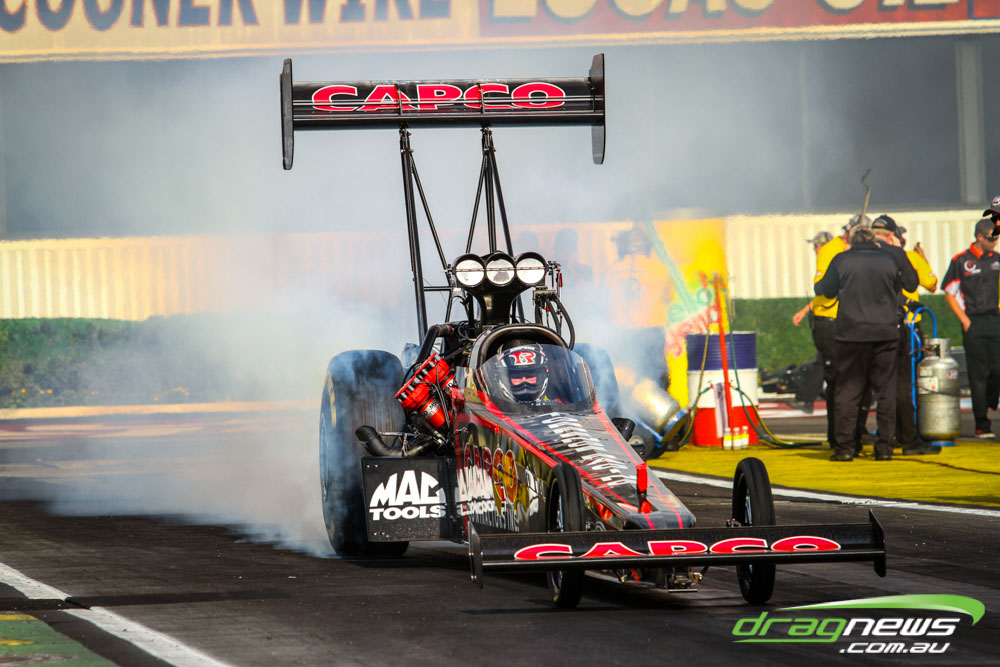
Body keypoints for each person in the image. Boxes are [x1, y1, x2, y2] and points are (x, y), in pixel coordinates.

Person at [815, 221, 918, 461]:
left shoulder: (841, 260)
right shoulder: (890, 259)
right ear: (873, 240)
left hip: (851, 336)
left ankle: (845, 448)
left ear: (851, 241)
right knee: (886, 392)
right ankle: (884, 448)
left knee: (848, 392)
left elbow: (824, 290)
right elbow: (902, 287)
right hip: (885, 334)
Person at [809, 214, 871, 450]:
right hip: (831, 321)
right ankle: (838, 436)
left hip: (852, 320)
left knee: (859, 379)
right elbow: (822, 289)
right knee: (838, 379)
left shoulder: (862, 253)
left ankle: (856, 431)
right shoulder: (831, 250)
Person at [942, 216, 1000, 439]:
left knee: (997, 370)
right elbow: (950, 294)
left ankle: (991, 399)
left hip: (996, 321)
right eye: (991, 239)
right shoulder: (961, 261)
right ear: (979, 237)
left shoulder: (997, 259)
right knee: (978, 375)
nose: (995, 243)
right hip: (973, 322)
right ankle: (981, 424)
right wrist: (965, 321)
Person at [893, 222, 940, 455]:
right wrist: (923, 258)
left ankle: (893, 433)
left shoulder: (877, 258)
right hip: (909, 328)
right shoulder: (911, 257)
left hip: (882, 326)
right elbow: (932, 284)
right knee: (910, 383)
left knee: (889, 384)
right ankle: (911, 436)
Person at [787, 231, 834, 413]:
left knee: (824, 361)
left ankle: (805, 399)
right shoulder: (827, 261)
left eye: (817, 245)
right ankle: (806, 399)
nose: (815, 249)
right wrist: (804, 311)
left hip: (832, 320)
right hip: (827, 318)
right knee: (823, 361)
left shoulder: (831, 262)